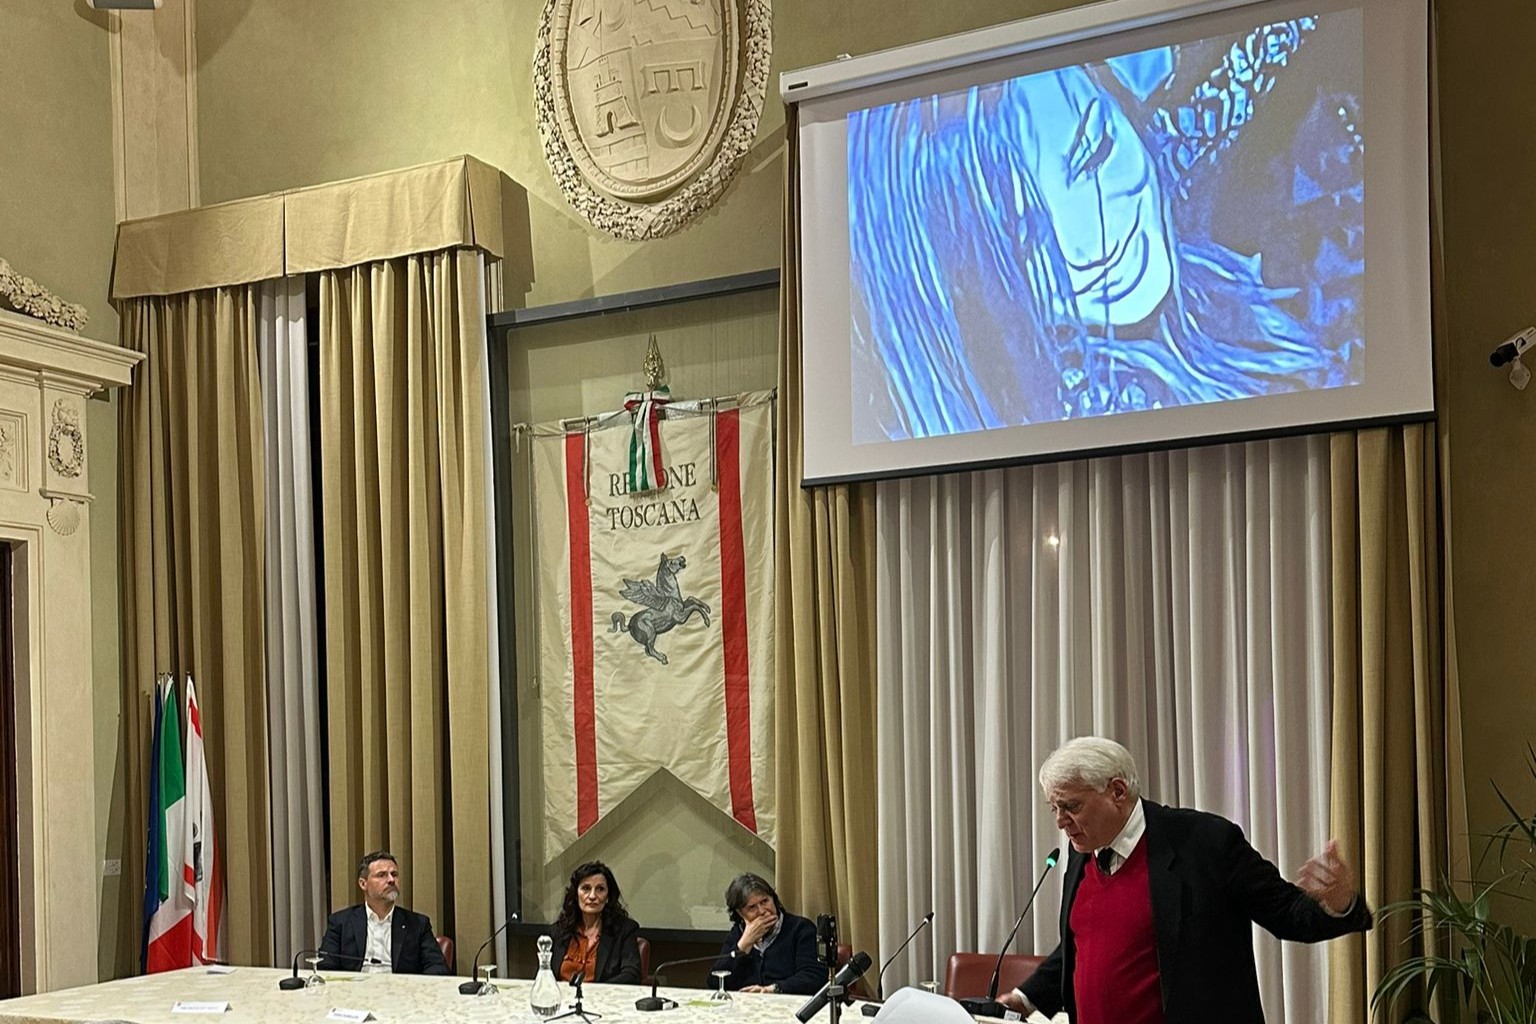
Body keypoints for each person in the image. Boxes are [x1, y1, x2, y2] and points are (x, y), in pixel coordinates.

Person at [999, 737, 1371, 1023]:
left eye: (1071, 806)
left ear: (1117, 791)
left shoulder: (1206, 843)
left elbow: (1286, 914)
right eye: (1054, 808)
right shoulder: (1082, 853)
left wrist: (1337, 903)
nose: (1060, 821)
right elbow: (1085, 944)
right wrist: (1025, 998)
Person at [318, 850, 449, 975]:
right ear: (363, 884)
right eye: (382, 875)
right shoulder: (340, 922)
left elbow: (438, 967)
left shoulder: (418, 924)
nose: (391, 880)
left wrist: (412, 986)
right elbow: (325, 967)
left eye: (394, 874)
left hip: (401, 988)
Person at [710, 873, 824, 995]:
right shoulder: (737, 934)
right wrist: (744, 945)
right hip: (745, 1003)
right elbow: (715, 982)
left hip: (787, 1002)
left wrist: (773, 989)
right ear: (740, 913)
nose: (762, 911)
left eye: (765, 901)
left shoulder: (801, 929)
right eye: (752, 907)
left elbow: (813, 977)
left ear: (774, 899)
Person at [551, 861, 641, 985]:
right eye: (586, 888)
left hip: (603, 996)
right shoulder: (559, 930)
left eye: (600, 889)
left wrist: (596, 991)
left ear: (608, 896)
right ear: (576, 894)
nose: (592, 896)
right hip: (562, 996)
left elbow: (632, 974)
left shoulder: (624, 930)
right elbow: (544, 973)